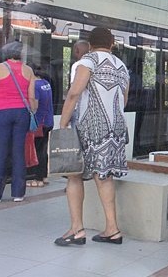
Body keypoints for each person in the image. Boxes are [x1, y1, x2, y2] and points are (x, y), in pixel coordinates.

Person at [55, 27, 130, 246]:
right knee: (105, 176)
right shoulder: (121, 66)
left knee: (74, 174)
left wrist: (63, 124)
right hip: (116, 129)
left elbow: (74, 93)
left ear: (89, 44)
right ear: (112, 43)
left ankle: (77, 230)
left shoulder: (87, 62)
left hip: (89, 127)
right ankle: (112, 229)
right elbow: (124, 100)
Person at [0, 41, 37, 203]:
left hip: (2, 112)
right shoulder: (28, 70)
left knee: (0, 151)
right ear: (21, 54)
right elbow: (32, 97)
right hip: (22, 113)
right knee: (18, 152)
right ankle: (18, 194)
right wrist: (32, 112)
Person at [27, 66, 54, 187]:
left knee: (37, 150)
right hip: (48, 121)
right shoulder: (45, 83)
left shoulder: (35, 86)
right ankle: (44, 176)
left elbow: (35, 105)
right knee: (43, 150)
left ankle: (37, 179)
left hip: (39, 123)